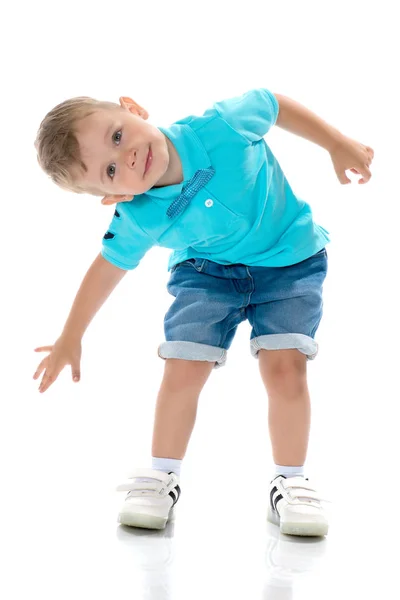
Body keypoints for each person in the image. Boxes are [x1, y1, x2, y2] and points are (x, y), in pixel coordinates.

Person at [33, 89, 374, 536]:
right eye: (111, 170)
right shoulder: (138, 217)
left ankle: (291, 482)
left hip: (289, 258)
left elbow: (272, 103)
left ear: (132, 109)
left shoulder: (222, 127)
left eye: (118, 135)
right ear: (109, 197)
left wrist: (335, 142)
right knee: (182, 369)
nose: (129, 158)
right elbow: (105, 269)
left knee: (285, 370)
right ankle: (162, 477)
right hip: (206, 274)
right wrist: (70, 336)